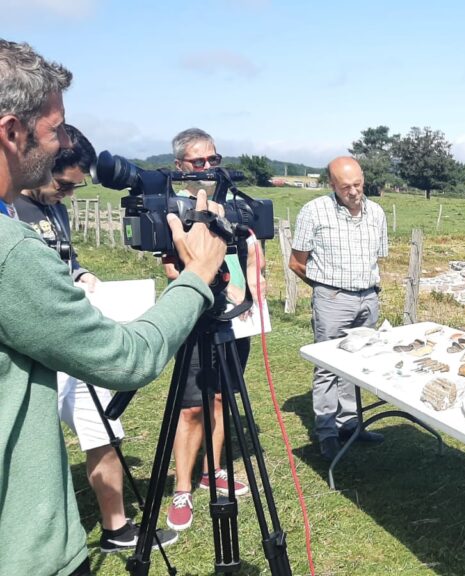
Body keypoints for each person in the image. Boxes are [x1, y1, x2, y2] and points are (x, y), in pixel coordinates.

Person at [0, 39, 227, 576]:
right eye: (55, 130)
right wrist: (196, 278)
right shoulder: (11, 250)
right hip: (24, 552)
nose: (60, 146)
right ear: (12, 131)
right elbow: (125, 360)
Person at [12, 124, 178, 553]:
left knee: (103, 426)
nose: (67, 196)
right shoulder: (10, 214)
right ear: (42, 164)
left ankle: (116, 527)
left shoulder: (54, 209)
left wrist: (82, 275)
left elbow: (67, 257)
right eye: (65, 185)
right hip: (32, 344)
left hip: (71, 335)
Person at [163, 127, 257, 532]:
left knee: (220, 399)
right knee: (191, 407)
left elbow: (252, 250)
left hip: (235, 315)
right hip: (196, 316)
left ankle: (212, 470)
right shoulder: (171, 208)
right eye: (197, 162)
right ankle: (182, 486)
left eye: (213, 160)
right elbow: (171, 268)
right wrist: (217, 282)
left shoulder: (233, 203)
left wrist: (255, 278)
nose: (206, 168)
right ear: (180, 165)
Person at [289, 156, 389, 461]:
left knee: (357, 364)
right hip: (332, 299)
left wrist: (367, 291)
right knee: (328, 365)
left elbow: (377, 257)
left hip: (367, 298)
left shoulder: (376, 213)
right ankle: (327, 432)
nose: (354, 191)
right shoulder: (314, 211)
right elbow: (296, 262)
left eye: (358, 184)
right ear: (332, 185)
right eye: (346, 186)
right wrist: (325, 290)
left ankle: (350, 425)